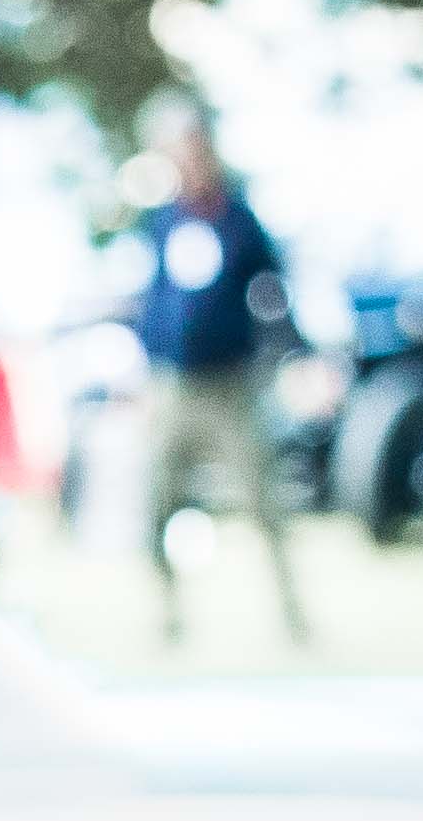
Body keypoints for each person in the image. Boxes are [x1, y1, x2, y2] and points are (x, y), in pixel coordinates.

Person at [124, 106, 309, 653]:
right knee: (156, 501)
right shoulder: (162, 221)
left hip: (230, 385)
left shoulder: (239, 220)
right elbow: (153, 298)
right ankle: (167, 618)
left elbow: (273, 292)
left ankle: (292, 619)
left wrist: (295, 354)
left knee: (263, 503)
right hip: (172, 386)